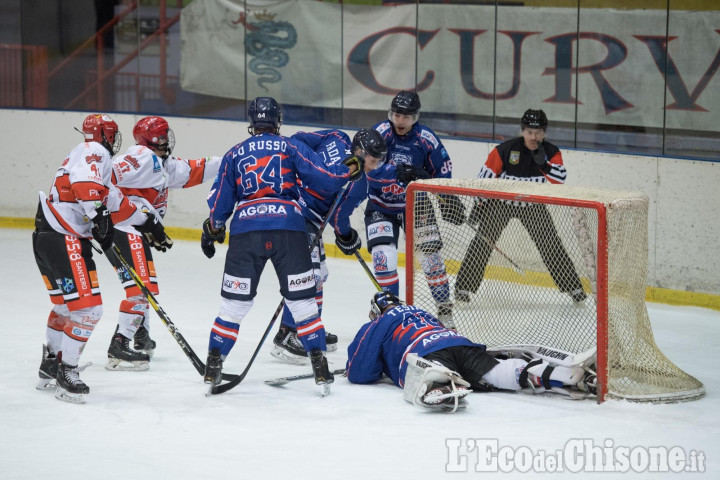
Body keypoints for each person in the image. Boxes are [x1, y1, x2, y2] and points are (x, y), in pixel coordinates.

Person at [200, 97, 363, 394]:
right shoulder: (289, 145)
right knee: (303, 304)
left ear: (252, 122)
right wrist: (349, 169)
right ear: (278, 121)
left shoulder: (234, 153)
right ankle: (320, 370)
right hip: (289, 228)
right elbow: (325, 179)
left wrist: (212, 230)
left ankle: (213, 366)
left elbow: (220, 203)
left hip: (246, 231)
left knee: (233, 306)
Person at [32, 113, 165, 403]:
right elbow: (86, 189)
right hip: (64, 236)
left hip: (46, 234)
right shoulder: (94, 151)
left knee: (64, 307)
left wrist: (149, 223)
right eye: (113, 133)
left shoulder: (82, 157)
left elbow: (117, 202)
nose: (115, 140)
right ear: (105, 134)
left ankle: (50, 364)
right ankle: (67, 372)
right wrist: (98, 214)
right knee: (89, 311)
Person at [346, 291, 597, 412]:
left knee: (433, 370)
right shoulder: (420, 311)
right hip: (457, 341)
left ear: (376, 312)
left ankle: (440, 383)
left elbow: (359, 370)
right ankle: (563, 374)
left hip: (427, 351)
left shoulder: (378, 323)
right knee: (498, 371)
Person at [105, 116, 221, 371]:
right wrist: (129, 210)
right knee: (141, 288)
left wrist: (233, 159)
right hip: (124, 229)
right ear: (152, 139)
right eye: (163, 135)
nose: (167, 139)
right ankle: (119, 345)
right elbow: (106, 175)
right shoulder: (141, 157)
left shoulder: (161, 163)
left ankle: (140, 333)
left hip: (130, 230)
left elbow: (196, 169)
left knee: (140, 285)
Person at [271, 128, 387, 365]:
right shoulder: (359, 184)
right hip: (298, 218)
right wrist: (348, 237)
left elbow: (297, 141)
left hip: (291, 206)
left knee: (319, 276)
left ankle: (311, 327)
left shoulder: (337, 137)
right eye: (373, 161)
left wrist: (300, 170)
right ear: (360, 152)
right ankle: (288, 334)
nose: (374, 167)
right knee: (307, 278)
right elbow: (338, 220)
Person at [455, 109, 587, 303]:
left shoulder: (551, 151)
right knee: (481, 243)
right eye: (530, 132)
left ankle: (573, 287)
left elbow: (560, 179)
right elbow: (484, 179)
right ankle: (463, 288)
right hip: (501, 204)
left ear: (544, 132)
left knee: (551, 244)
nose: (534, 137)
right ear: (522, 131)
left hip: (533, 205)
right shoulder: (505, 149)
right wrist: (479, 204)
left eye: (538, 132)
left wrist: (544, 165)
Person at [368, 90, 465, 329]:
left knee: (431, 260)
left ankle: (444, 310)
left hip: (417, 204)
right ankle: (392, 312)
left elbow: (442, 172)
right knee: (383, 258)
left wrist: (447, 198)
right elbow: (366, 168)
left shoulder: (426, 139)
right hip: (381, 205)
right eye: (397, 115)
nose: (400, 121)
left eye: (406, 117)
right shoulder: (380, 134)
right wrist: (397, 172)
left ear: (416, 117)